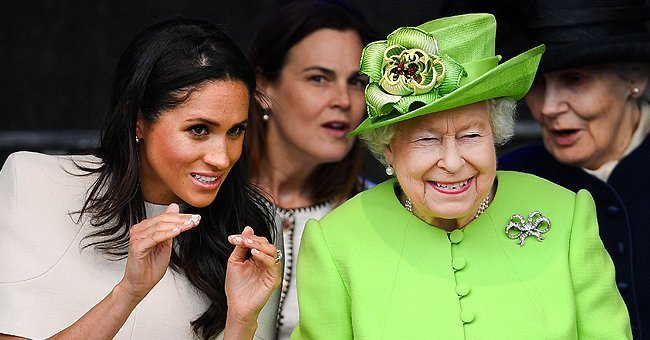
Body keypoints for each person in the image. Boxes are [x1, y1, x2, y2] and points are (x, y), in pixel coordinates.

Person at [291, 13, 632, 339]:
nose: (453, 163)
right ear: (389, 149)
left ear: (495, 134)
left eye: (471, 135)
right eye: (427, 139)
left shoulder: (567, 214)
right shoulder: (336, 243)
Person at [0, 18, 282, 339]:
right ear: (139, 122)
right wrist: (129, 293)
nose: (221, 157)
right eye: (199, 130)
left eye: (236, 131)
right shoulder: (32, 184)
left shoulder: (250, 224)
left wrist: (242, 323)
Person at [493, 1, 650, 337]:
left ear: (635, 78)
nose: (549, 107)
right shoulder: (503, 182)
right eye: (537, 84)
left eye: (574, 80)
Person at [247, 1, 376, 338]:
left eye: (356, 82)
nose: (344, 100)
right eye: (319, 78)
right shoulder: (202, 199)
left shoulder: (379, 214)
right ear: (263, 87)